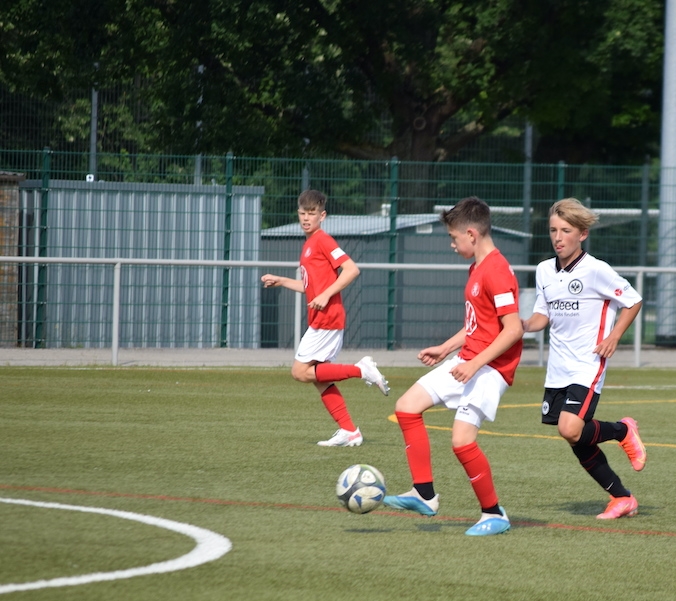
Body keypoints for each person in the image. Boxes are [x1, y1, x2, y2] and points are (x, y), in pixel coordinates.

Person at [383, 196, 524, 536]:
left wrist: (474, 364)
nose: (451, 244)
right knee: (406, 407)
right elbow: (478, 324)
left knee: (462, 442)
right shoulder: (477, 267)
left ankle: (494, 514)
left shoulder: (496, 270)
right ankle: (424, 494)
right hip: (468, 360)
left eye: (453, 237)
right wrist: (446, 348)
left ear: (471, 234)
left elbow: (513, 329)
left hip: (489, 369)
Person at [522, 198, 647, 520]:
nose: (558, 237)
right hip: (558, 368)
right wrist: (520, 325)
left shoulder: (596, 270)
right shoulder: (544, 270)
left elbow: (633, 301)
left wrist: (614, 336)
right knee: (576, 437)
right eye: (553, 230)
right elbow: (541, 316)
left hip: (587, 363)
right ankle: (622, 498)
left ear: (582, 234)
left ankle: (622, 431)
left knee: (570, 428)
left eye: (566, 230)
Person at [260, 189, 390, 448]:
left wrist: (327, 295)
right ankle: (349, 431)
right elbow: (311, 288)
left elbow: (351, 270)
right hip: (321, 317)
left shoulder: (322, 240)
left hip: (327, 318)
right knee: (319, 378)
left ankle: (361, 369)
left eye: (311, 214)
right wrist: (282, 281)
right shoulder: (309, 245)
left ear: (322, 216)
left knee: (300, 372)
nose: (306, 218)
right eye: (302, 213)